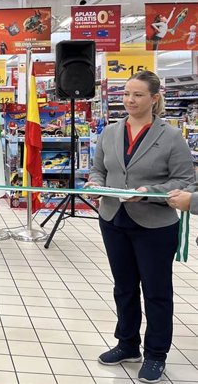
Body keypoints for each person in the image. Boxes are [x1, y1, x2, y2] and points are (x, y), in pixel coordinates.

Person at [86, 70, 193, 384]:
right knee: (124, 287)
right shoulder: (110, 132)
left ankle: (156, 353)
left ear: (154, 98)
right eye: (126, 94)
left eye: (138, 95)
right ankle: (128, 344)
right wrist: (96, 184)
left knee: (157, 291)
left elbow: (186, 182)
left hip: (155, 225)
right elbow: (99, 169)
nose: (130, 100)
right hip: (114, 219)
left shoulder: (171, 137)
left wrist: (151, 193)